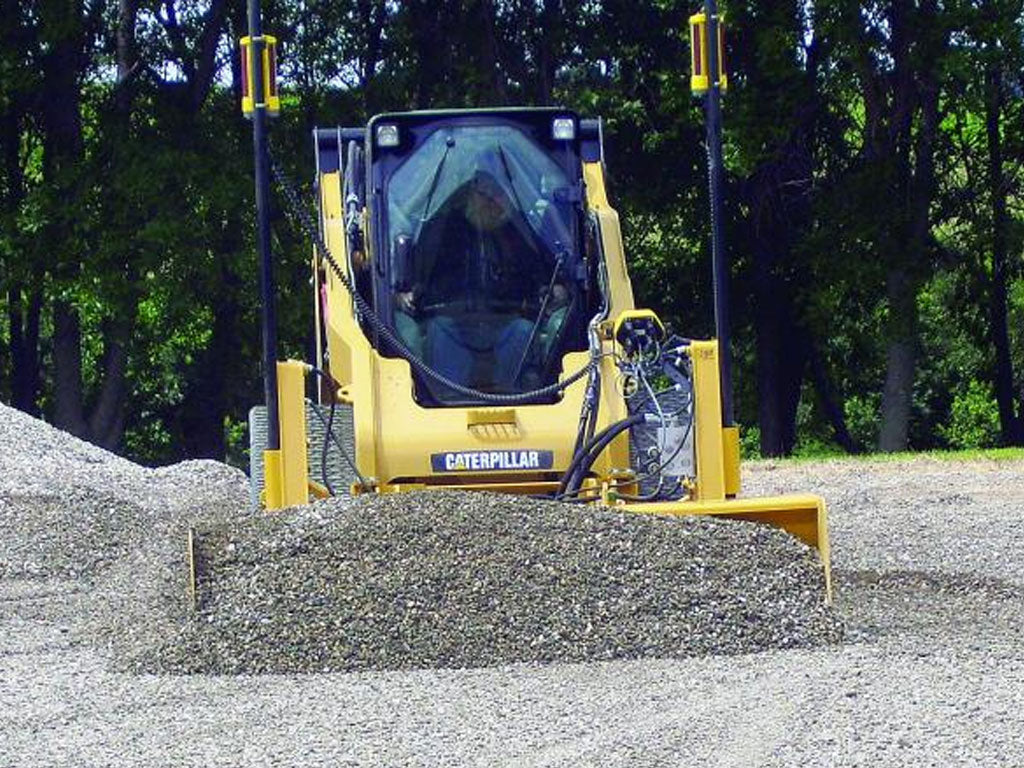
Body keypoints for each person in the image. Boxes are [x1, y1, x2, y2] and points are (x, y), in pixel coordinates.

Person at [395, 170, 545, 393]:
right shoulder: (439, 230)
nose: (491, 201)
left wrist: (552, 290)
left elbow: (542, 276)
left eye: (497, 195)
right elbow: (414, 277)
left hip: (505, 321)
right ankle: (446, 399)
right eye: (484, 194)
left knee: (523, 331)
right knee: (439, 331)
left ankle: (513, 398)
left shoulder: (520, 234)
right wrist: (402, 295)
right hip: (452, 323)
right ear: (470, 194)